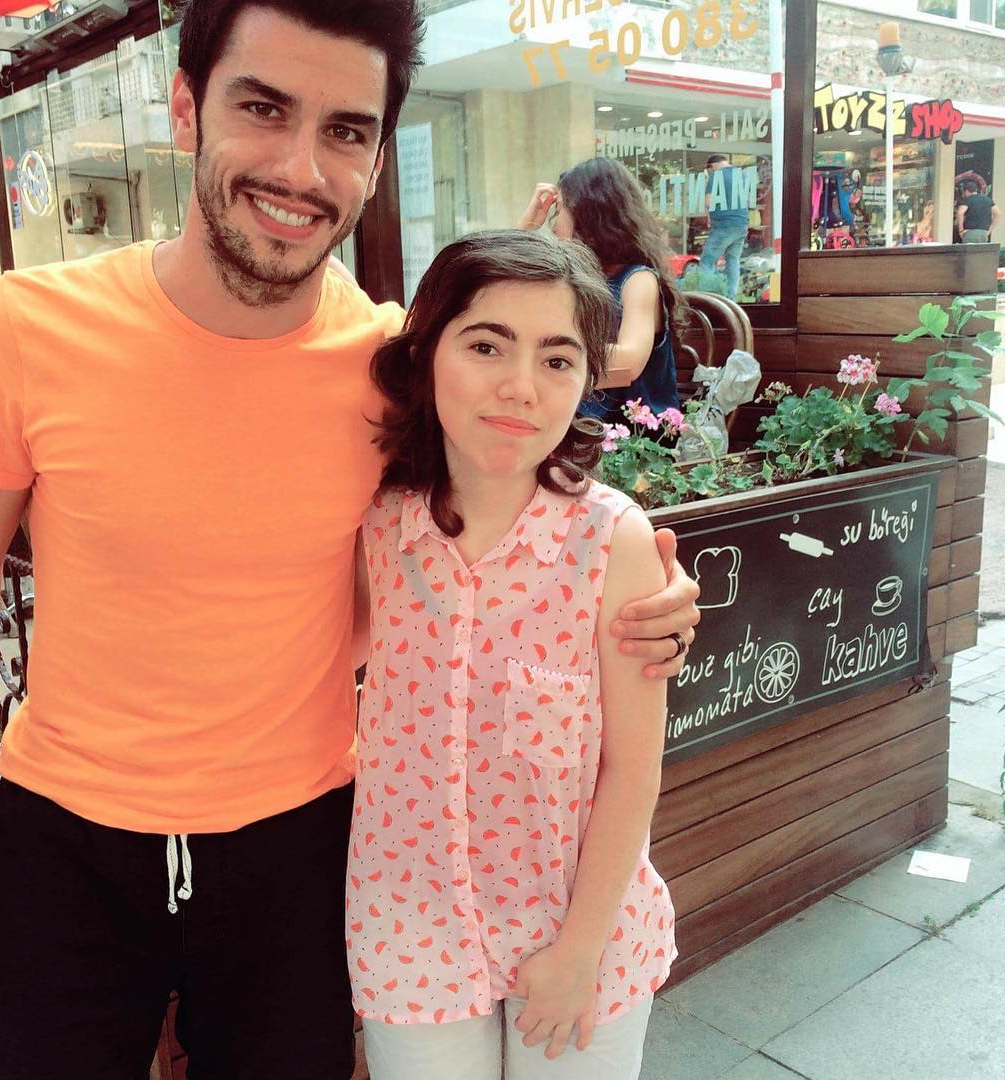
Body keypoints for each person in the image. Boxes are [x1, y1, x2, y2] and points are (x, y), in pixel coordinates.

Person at [0, 2, 700, 1077]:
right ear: (187, 107)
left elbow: (504, 504)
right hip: (66, 839)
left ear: (376, 162)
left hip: (300, 849)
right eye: (263, 107)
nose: (301, 167)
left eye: (345, 130)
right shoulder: (23, 328)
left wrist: (648, 600)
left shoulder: (390, 366)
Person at [351, 229, 673, 1080]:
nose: (520, 386)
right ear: (427, 354)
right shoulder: (375, 528)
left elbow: (633, 767)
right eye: (486, 345)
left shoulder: (612, 541)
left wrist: (579, 951)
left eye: (557, 360)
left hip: (580, 927)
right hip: (411, 927)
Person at [518, 157, 686, 427]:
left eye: (559, 210)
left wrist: (548, 361)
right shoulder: (577, 279)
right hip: (580, 422)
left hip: (630, 435)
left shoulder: (638, 280)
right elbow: (503, 298)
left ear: (589, 216)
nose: (553, 225)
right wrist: (524, 233)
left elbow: (629, 363)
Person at [697, 153, 749, 300]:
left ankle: (706, 299)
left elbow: (708, 202)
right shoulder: (741, 174)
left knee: (707, 261)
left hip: (724, 225)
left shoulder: (716, 175)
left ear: (712, 166)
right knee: (732, 261)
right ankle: (731, 299)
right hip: (741, 224)